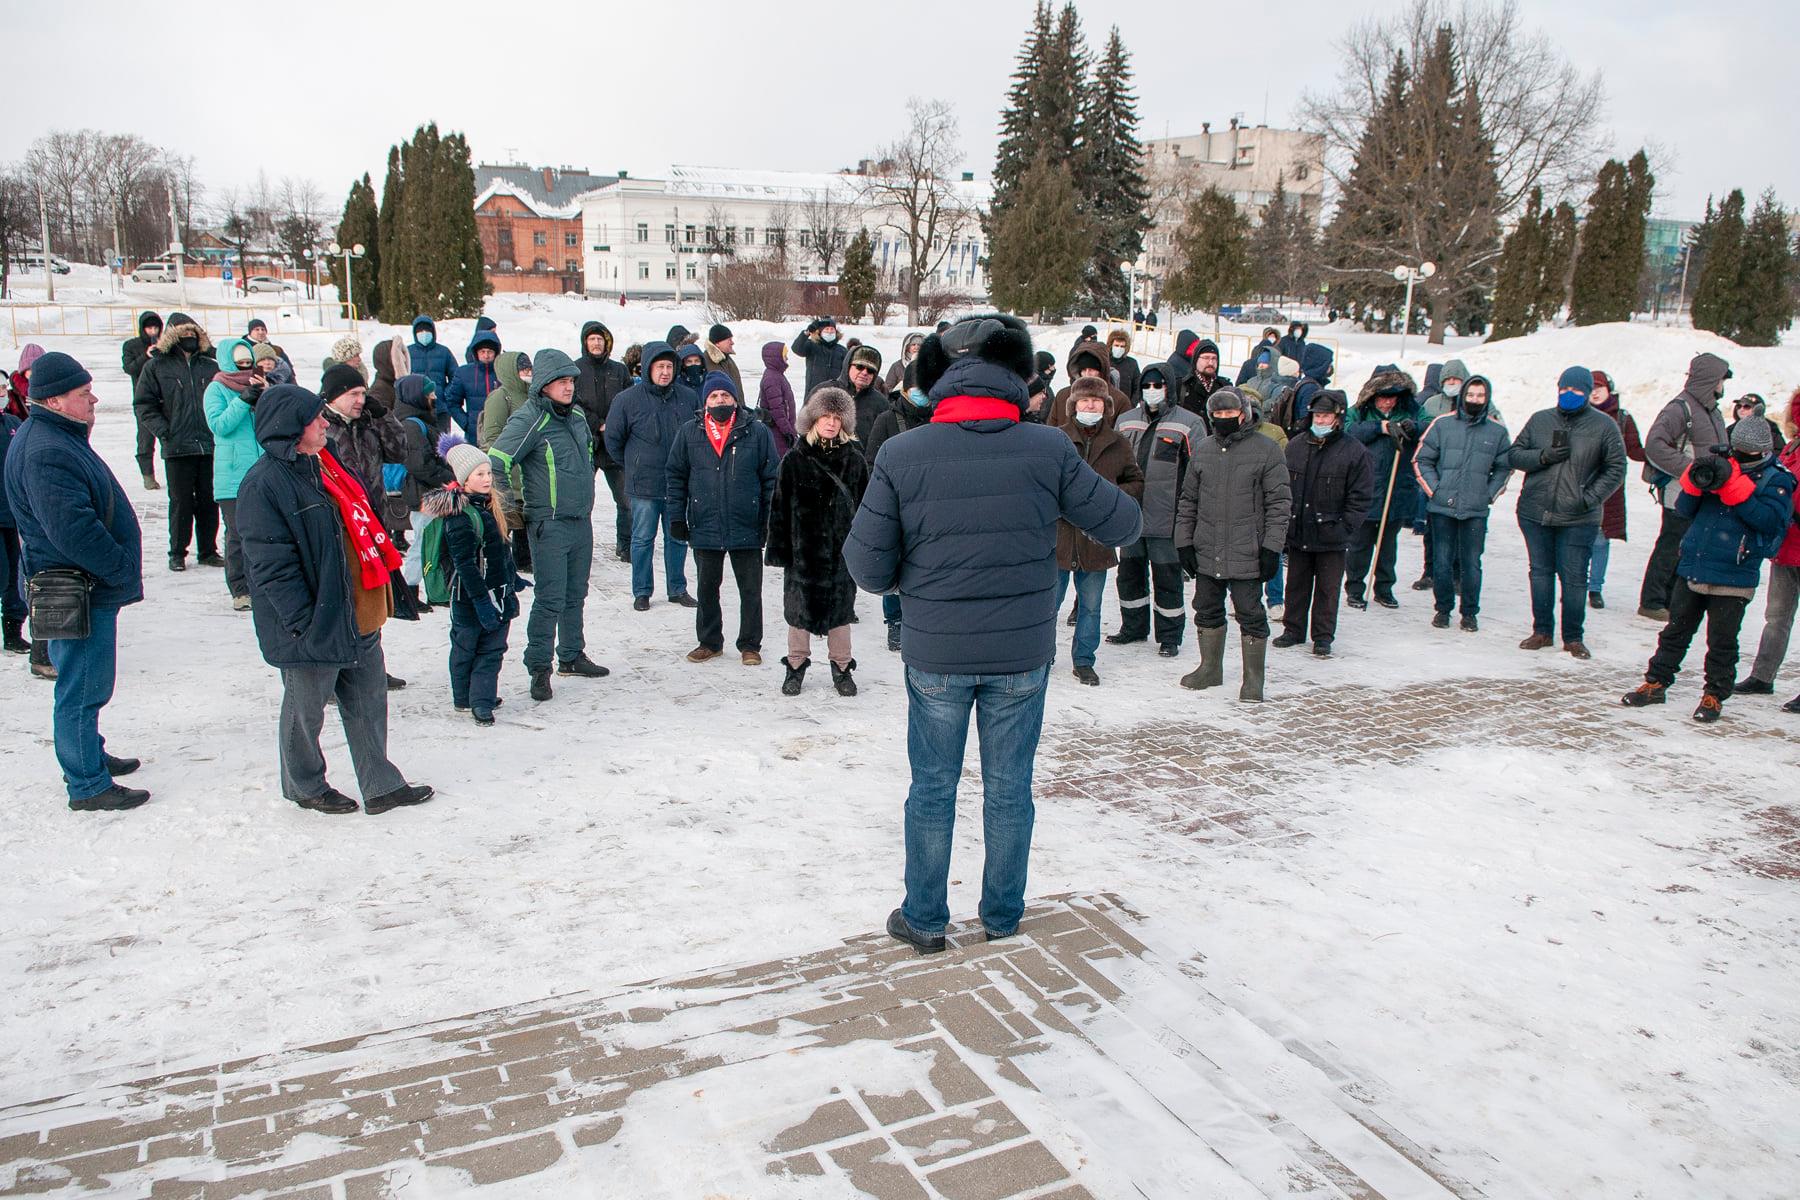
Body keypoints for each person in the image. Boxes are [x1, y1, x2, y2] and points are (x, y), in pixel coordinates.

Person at [844, 314, 1140, 954]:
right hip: (1019, 654)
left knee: (932, 788)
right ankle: (1002, 913)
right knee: (1009, 789)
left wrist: (916, 581)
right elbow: (1122, 522)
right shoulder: (1049, 448)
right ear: (1018, 380)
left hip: (937, 652)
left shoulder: (901, 453)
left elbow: (866, 566)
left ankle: (924, 917)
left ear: (935, 383)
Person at [235, 384, 431, 816]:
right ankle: (305, 785)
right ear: (291, 427)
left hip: (357, 608)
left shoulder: (325, 463)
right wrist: (303, 622)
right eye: (315, 418)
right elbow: (270, 565)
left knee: (368, 702)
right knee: (306, 712)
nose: (326, 422)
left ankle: (381, 784)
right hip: (312, 621)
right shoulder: (264, 484)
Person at [3, 353, 148, 810]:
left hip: (81, 584)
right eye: (84, 395)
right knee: (82, 686)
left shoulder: (54, 435)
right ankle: (88, 784)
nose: (94, 400)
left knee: (86, 681)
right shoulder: (46, 449)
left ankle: (92, 755)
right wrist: (120, 566)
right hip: (75, 587)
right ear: (55, 400)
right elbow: (73, 530)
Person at [1622, 420, 1796, 722]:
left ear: (1763, 451)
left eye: (1747, 453)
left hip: (1735, 572)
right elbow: (1685, 510)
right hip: (1696, 564)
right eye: (1737, 450)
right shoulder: (1720, 468)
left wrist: (1738, 491)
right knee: (1675, 632)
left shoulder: (1776, 479)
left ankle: (1714, 695)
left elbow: (1770, 522)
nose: (1740, 456)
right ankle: (1656, 683)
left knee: (1722, 641)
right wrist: (1694, 482)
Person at [491, 349, 609, 701]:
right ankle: (539, 667)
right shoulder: (529, 418)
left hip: (580, 521)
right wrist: (507, 510)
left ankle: (571, 655)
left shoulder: (575, 417)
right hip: (549, 524)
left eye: (571, 380)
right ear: (543, 385)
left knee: (577, 594)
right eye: (561, 382)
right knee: (550, 598)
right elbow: (497, 460)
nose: (569, 387)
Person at [1174, 386, 1291, 699]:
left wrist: (1272, 547)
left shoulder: (1267, 450)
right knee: (1206, 608)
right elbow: (1188, 500)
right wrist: (1183, 542)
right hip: (1208, 547)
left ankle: (1253, 679)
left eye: (1230, 413)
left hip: (1248, 550)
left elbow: (1279, 505)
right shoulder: (1203, 449)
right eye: (1218, 414)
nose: (1224, 418)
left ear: (1244, 414)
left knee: (1250, 612)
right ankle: (1210, 668)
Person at [1508, 366, 1627, 659]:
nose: (1568, 394)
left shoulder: (1603, 426)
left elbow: (1616, 467)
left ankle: (1573, 636)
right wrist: (1543, 456)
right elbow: (1514, 454)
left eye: (1576, 390)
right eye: (1564, 389)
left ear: (1587, 393)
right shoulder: (1540, 419)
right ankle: (1542, 631)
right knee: (1540, 573)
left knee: (1574, 578)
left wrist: (1590, 498)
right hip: (1536, 511)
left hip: (1578, 517)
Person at [666, 372, 779, 668]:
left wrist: (769, 520)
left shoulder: (756, 432)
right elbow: (676, 477)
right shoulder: (690, 432)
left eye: (725, 396)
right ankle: (709, 641)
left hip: (746, 523)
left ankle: (750, 644)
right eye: (714, 396)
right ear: (705, 401)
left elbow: (771, 480)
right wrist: (677, 516)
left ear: (735, 399)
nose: (720, 401)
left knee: (750, 589)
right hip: (705, 522)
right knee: (706, 587)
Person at [768, 386, 870, 695]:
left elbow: (866, 508)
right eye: (825, 416)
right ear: (813, 419)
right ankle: (795, 666)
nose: (830, 423)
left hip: (840, 554)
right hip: (804, 553)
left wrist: (862, 549)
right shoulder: (794, 460)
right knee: (799, 615)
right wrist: (780, 551)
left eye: (837, 418)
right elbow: (779, 508)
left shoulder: (854, 461)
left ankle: (842, 668)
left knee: (840, 614)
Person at [320, 362, 413, 683]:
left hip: (372, 521)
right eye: (353, 394)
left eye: (362, 393)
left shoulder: (368, 423)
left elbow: (400, 452)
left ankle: (370, 667)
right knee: (343, 600)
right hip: (340, 528)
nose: (361, 400)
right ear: (334, 396)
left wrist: (384, 415)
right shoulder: (321, 428)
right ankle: (336, 674)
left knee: (371, 599)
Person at [424, 438, 528, 725]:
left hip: (498, 591)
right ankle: (470, 699)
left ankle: (479, 696)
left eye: (488, 473)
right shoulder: (460, 516)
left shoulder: (488, 507)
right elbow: (464, 564)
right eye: (479, 474)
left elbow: (499, 550)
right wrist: (481, 601)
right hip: (471, 597)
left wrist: (513, 578)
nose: (486, 479)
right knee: (468, 646)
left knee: (492, 648)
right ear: (463, 479)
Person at [1055, 378, 1144, 685]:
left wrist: (1111, 498)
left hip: (1097, 540)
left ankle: (1083, 661)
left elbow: (1135, 481)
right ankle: (1041, 655)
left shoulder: (1118, 442)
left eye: (1096, 401)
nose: (1090, 406)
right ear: (1073, 406)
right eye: (1084, 401)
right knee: (1048, 604)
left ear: (1105, 406)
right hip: (1059, 539)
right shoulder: (1058, 439)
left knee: (1090, 607)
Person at [1110, 363, 1203, 655]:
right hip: (1131, 517)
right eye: (1147, 386)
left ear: (1169, 388)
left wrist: (1188, 516)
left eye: (1158, 385)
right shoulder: (1125, 421)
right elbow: (1113, 465)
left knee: (1167, 579)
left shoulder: (1189, 423)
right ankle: (1133, 627)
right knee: (1129, 576)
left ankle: (1170, 635)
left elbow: (1198, 471)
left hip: (1167, 519)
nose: (1152, 391)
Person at [1273, 389, 1373, 656]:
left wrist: (1345, 527)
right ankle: (1293, 629)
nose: (1320, 421)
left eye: (1326, 416)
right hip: (1299, 529)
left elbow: (1361, 497)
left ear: (1338, 418)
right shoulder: (1295, 446)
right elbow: (1282, 487)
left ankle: (1323, 636)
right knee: (1295, 584)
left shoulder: (1354, 452)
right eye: (1317, 415)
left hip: (1332, 534)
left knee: (1328, 590)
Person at [1412, 375, 1511, 632]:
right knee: (1442, 561)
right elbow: (1422, 459)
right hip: (1443, 506)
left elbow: (1504, 467)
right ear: (1463, 396)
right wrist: (1435, 490)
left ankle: (1469, 613)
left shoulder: (1497, 431)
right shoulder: (1442, 425)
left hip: (1475, 509)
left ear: (1487, 398)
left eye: (1480, 396)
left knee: (1471, 564)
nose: (1475, 400)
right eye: (1471, 395)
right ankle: (1443, 609)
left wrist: (1488, 494)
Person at [605, 341, 699, 611]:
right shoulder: (627, 399)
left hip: (677, 483)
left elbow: (695, 435)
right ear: (648, 368)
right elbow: (613, 440)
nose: (665, 372)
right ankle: (642, 591)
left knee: (677, 537)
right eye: (660, 367)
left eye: (670, 366)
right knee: (643, 539)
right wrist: (633, 463)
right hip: (643, 484)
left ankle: (677, 588)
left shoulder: (688, 397)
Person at [1639, 353, 1730, 621]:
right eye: (1721, 380)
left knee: (1687, 545)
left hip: (1704, 492)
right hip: (1680, 492)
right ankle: (1652, 600)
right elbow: (1655, 445)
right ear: (1712, 380)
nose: (1723, 386)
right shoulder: (1680, 408)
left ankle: (1670, 599)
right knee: (1671, 544)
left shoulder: (1711, 410)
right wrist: (1690, 469)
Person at [133, 312, 221, 572]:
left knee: (209, 499)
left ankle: (208, 550)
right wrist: (164, 431)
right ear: (173, 337)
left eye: (193, 335)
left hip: (208, 444)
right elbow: (144, 404)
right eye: (183, 335)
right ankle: (177, 552)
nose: (189, 339)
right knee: (181, 501)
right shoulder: (157, 366)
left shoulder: (209, 364)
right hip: (177, 446)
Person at [1735, 387, 1800, 707]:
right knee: (1777, 616)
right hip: (1786, 546)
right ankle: (1763, 676)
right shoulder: (1791, 448)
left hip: (1792, 538)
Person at [859, 375, 930, 653]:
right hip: (897, 504)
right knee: (895, 562)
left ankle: (921, 617)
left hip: (928, 504)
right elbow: (872, 461)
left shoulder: (938, 417)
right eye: (917, 388)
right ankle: (895, 620)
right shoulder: (887, 419)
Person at [1343, 366, 1422, 609]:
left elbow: (1428, 425)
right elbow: (1347, 430)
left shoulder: (1410, 412)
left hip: (1396, 490)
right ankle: (1355, 588)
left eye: (1392, 397)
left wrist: (1412, 427)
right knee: (1359, 545)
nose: (1387, 403)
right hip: (1365, 491)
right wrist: (1381, 428)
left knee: (1388, 547)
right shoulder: (1359, 413)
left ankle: (1384, 588)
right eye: (1382, 397)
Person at [201, 337, 267, 609]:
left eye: (248, 363)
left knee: (264, 531)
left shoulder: (257, 384)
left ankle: (262, 583)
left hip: (261, 470)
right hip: (233, 475)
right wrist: (243, 401)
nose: (245, 367)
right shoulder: (216, 389)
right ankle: (240, 588)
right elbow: (219, 425)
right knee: (238, 533)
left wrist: (265, 395)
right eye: (239, 363)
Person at [394, 374, 456, 613]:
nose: (433, 396)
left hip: (429, 493)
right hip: (423, 496)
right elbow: (420, 464)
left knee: (432, 543)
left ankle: (432, 590)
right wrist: (449, 477)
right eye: (429, 392)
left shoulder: (420, 420)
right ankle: (408, 593)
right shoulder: (411, 424)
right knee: (422, 544)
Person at [573, 321, 632, 562]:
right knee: (583, 500)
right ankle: (581, 547)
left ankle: (626, 545)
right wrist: (597, 423)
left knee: (626, 500)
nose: (596, 343)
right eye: (592, 339)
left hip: (615, 444)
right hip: (588, 443)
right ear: (585, 343)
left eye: (600, 339)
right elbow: (573, 405)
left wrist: (615, 425)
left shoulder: (619, 370)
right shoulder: (575, 370)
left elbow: (629, 401)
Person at [1587, 370, 1645, 609]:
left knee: (1601, 540)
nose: (1595, 392)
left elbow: (1636, 450)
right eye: (1591, 387)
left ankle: (1594, 588)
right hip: (1581, 484)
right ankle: (1575, 583)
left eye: (1600, 387)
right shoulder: (1577, 415)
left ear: (1609, 390)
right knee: (1577, 538)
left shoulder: (1622, 418)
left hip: (1610, 489)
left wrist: (1662, 453)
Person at [1048, 336, 1130, 428]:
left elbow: (1123, 438)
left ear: (1102, 370)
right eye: (1083, 369)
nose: (1087, 374)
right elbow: (1051, 432)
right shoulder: (1063, 396)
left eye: (1092, 369)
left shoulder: (1120, 401)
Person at [120, 312, 163, 489]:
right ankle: (148, 476)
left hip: (165, 398)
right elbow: (129, 368)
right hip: (144, 399)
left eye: (156, 328)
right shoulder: (132, 346)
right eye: (149, 328)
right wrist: (146, 355)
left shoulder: (164, 343)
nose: (153, 331)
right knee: (145, 440)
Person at [443, 327, 501, 438]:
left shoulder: (503, 372)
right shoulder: (464, 373)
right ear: (476, 352)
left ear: (495, 353)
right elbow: (452, 402)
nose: (486, 355)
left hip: (500, 432)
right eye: (482, 351)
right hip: (474, 433)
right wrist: (466, 423)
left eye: (490, 352)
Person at [827, 345, 886, 443]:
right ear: (848, 366)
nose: (864, 373)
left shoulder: (881, 403)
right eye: (860, 367)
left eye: (870, 370)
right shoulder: (825, 391)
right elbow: (806, 428)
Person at [1172, 333, 1227, 421]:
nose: (1210, 363)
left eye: (1214, 358)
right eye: (1206, 358)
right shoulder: (1180, 386)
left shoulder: (1225, 387)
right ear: (1196, 359)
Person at [758, 340, 798, 457]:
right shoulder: (772, 378)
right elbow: (777, 410)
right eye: (784, 355)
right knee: (781, 462)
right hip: (778, 433)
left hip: (781, 431)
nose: (787, 358)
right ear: (776, 358)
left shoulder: (776, 375)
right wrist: (788, 432)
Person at [792, 317, 848, 396]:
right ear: (820, 332)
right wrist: (807, 332)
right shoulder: (811, 345)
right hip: (813, 394)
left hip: (835, 394)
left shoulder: (842, 350)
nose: (829, 332)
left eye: (832, 329)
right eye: (826, 329)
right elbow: (796, 348)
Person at [406, 315, 457, 396]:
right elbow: (400, 378)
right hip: (415, 403)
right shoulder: (407, 352)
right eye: (420, 331)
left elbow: (455, 377)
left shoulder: (444, 352)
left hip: (439, 402)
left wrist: (446, 394)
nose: (424, 333)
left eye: (427, 330)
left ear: (433, 332)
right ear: (415, 333)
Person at [243, 319, 294, 383]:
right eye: (257, 329)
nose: (260, 332)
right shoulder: (243, 349)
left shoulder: (277, 349)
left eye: (263, 329)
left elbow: (290, 372)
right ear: (250, 332)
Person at [699, 323, 743, 397]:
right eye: (729, 340)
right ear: (718, 343)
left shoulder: (727, 359)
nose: (732, 343)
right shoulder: (706, 362)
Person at [7, 344, 45, 419]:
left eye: (39, 367)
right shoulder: (12, 398)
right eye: (30, 368)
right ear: (23, 371)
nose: (34, 371)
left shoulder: (53, 390)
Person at [1107, 329, 1140, 401]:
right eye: (1116, 345)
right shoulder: (1104, 361)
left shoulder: (1132, 363)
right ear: (1111, 345)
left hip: (1125, 407)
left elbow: (1137, 387)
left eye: (1122, 346)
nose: (1119, 348)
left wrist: (1131, 405)